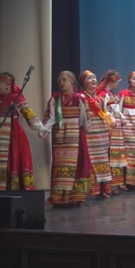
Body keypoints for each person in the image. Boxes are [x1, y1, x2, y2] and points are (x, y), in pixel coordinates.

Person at [0, 72, 46, 191]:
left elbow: (29, 114)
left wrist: (40, 128)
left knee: (11, 164)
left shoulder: (16, 99)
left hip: (11, 140)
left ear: (7, 85)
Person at [42, 71, 94, 206]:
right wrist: (45, 130)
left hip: (75, 136)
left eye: (64, 80)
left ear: (71, 82)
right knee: (61, 166)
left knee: (75, 165)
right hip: (60, 136)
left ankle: (76, 196)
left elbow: (85, 118)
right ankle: (59, 197)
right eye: (59, 81)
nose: (61, 83)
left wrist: (84, 130)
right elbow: (51, 117)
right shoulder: (55, 99)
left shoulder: (79, 99)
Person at [80, 70, 114, 199]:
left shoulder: (99, 98)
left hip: (102, 134)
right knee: (90, 161)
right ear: (83, 82)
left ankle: (102, 189)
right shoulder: (80, 97)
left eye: (94, 77)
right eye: (90, 78)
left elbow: (105, 113)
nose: (94, 80)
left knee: (103, 160)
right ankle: (90, 190)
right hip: (89, 133)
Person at [94, 70, 126, 192]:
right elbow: (103, 110)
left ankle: (116, 182)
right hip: (109, 126)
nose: (118, 84)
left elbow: (116, 110)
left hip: (115, 127)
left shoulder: (110, 93)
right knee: (110, 155)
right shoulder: (103, 94)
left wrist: (122, 119)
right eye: (117, 82)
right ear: (112, 82)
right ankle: (109, 185)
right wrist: (111, 119)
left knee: (116, 155)